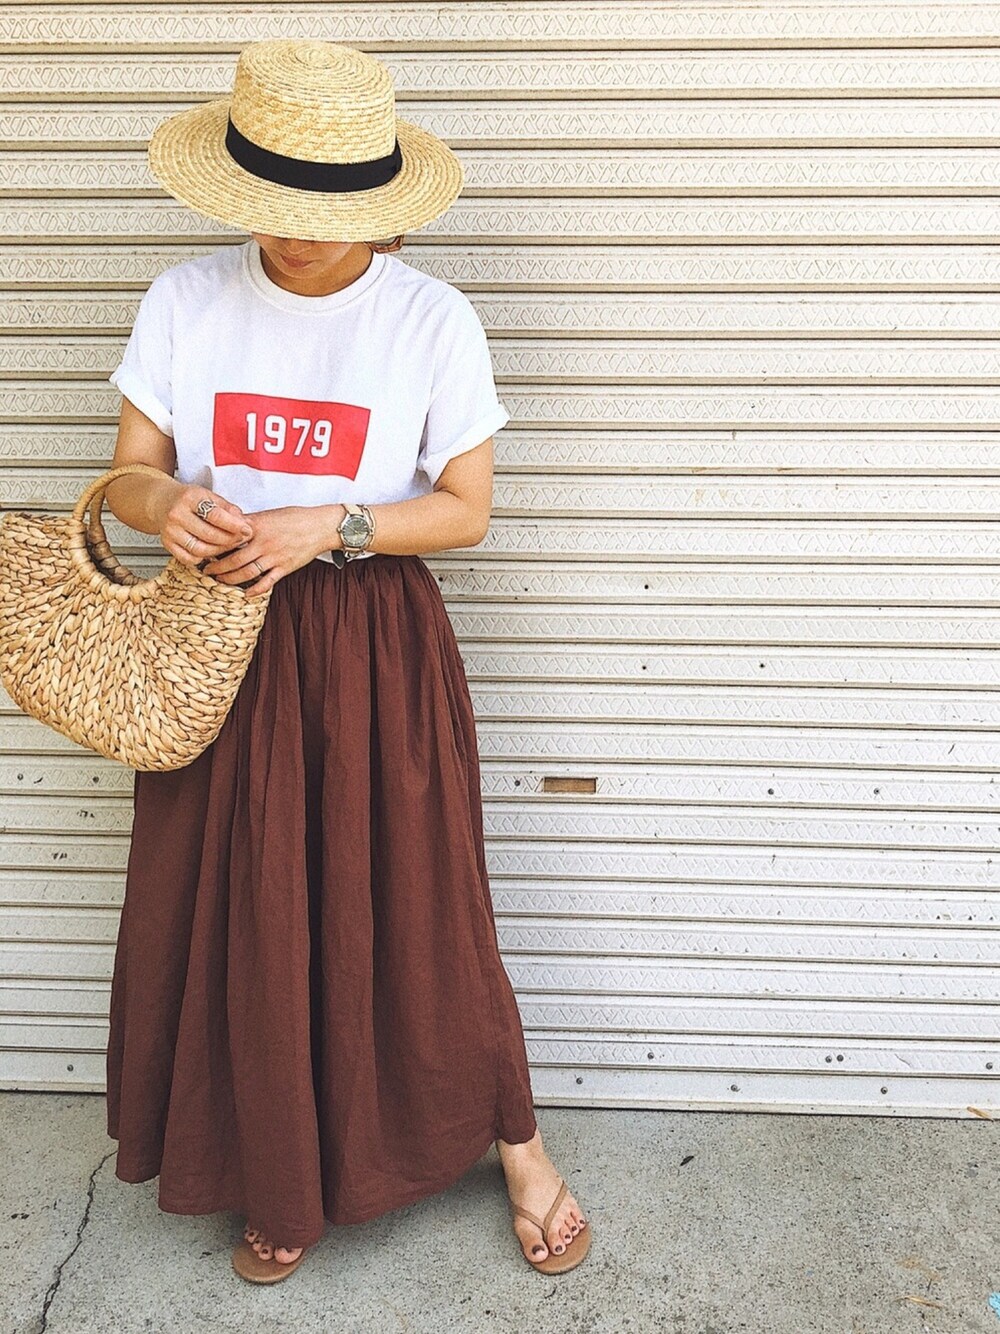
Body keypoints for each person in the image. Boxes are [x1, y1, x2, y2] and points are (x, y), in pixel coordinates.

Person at [101, 37, 591, 1284]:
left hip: (375, 649)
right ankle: (277, 1175)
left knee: (425, 906)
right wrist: (168, 508)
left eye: (324, 206)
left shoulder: (429, 317)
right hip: (215, 644)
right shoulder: (184, 299)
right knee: (241, 908)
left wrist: (334, 523)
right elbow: (126, 476)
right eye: (273, 202)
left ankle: (520, 1145)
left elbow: (466, 509)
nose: (298, 230)